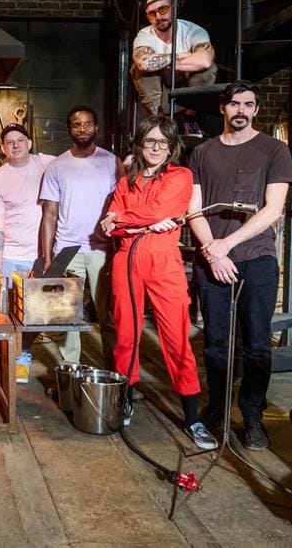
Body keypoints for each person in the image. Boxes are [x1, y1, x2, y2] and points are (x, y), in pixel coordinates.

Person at [187, 80, 292, 451]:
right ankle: (217, 407)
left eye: (248, 104)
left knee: (256, 345)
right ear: (223, 108)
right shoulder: (202, 152)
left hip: (257, 260)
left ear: (256, 109)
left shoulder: (274, 150)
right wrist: (213, 253)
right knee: (216, 344)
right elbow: (194, 210)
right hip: (213, 260)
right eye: (234, 104)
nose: (241, 111)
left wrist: (226, 246)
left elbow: (273, 209)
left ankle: (252, 416)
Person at [100, 116, 217, 450]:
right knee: (125, 334)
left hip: (163, 261)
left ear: (171, 147)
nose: (155, 148)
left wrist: (125, 219)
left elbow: (158, 210)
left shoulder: (180, 176)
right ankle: (125, 398)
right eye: (149, 141)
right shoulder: (127, 180)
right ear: (140, 144)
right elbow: (109, 228)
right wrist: (131, 223)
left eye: (162, 143)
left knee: (177, 337)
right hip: (126, 260)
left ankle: (192, 417)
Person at [40, 106, 122, 366]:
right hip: (67, 249)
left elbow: (121, 205)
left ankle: (114, 373)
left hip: (102, 250)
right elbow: (50, 214)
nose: (83, 128)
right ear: (70, 130)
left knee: (108, 316)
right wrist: (46, 256)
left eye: (88, 124)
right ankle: (70, 371)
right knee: (68, 315)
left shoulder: (111, 162)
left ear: (96, 127)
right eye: (77, 124)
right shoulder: (57, 166)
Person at [0, 123, 55, 383]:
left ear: (30, 143)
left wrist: (122, 163)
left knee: (37, 314)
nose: (15, 145)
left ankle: (22, 352)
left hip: (42, 253)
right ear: (3, 148)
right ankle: (10, 357)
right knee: (9, 313)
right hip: (13, 253)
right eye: (9, 142)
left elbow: (76, 166)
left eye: (20, 140)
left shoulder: (47, 163)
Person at [131, 0, 216, 117]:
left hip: (188, 91)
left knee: (209, 68)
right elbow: (144, 64)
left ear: (173, 7)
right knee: (137, 69)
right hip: (162, 95)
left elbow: (205, 61)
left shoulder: (193, 31)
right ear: (148, 17)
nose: (159, 17)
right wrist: (180, 56)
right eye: (152, 13)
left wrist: (162, 62)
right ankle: (157, 118)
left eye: (163, 9)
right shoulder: (145, 35)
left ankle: (190, 115)